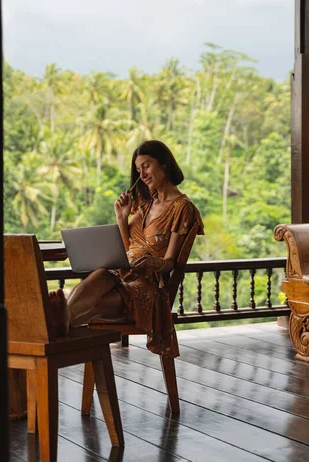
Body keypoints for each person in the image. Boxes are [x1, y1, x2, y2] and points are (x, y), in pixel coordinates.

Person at [50, 140, 204, 357]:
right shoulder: (145, 204)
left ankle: (60, 319)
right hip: (122, 274)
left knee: (92, 304)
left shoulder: (183, 208)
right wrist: (122, 218)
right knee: (101, 274)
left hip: (147, 286)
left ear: (165, 164)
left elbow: (170, 263)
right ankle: (63, 320)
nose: (142, 174)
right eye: (138, 169)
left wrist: (154, 263)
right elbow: (126, 249)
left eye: (146, 165)